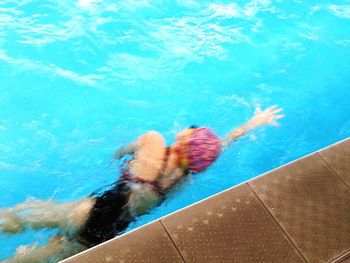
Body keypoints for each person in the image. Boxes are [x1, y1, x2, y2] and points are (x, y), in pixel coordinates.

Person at [0, 105, 284, 263]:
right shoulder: (183, 178)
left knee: (26, 215)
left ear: (184, 138)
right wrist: (252, 124)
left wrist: (122, 156)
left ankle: (8, 222)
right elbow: (223, 142)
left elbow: (121, 151)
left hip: (89, 210)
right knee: (39, 257)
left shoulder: (154, 143)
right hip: (105, 233)